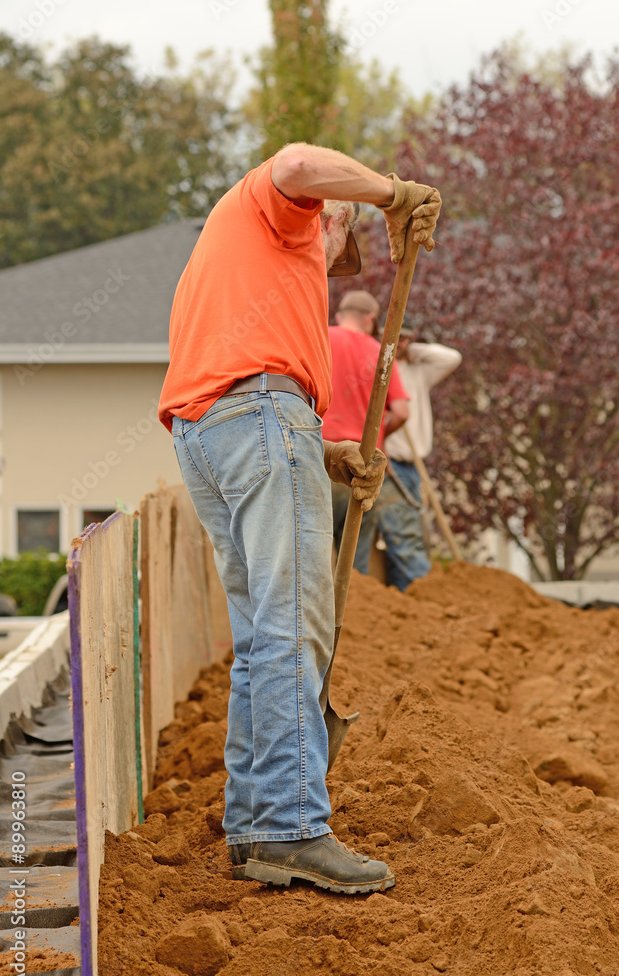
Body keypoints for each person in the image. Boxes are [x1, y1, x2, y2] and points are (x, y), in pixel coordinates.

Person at [158, 142, 441, 893]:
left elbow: (242, 393)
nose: (330, 263)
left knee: (260, 638)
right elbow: (294, 163)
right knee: (291, 626)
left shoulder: (226, 261)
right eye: (339, 247)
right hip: (259, 420)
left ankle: (257, 824)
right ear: (331, 219)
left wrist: (328, 450)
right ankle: (289, 823)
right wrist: (392, 194)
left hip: (213, 431)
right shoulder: (283, 208)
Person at [321, 289, 409, 574]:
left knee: (312, 560)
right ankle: (351, 615)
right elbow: (402, 412)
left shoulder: (321, 338)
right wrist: (379, 435)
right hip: (361, 467)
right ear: (370, 319)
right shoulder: (380, 351)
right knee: (352, 568)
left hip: (319, 459)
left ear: (339, 316)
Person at [375, 325, 462, 591]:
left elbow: (452, 358)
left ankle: (408, 596)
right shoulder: (379, 368)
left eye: (406, 337)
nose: (400, 342)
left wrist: (412, 349)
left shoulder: (417, 370)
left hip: (415, 466)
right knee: (404, 535)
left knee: (418, 533)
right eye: (394, 336)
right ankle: (420, 595)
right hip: (391, 464)